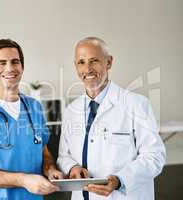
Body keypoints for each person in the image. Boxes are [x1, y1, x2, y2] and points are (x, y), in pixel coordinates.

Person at [57, 37, 166, 200]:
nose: (87, 69)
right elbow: (63, 156)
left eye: (94, 61)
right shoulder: (71, 110)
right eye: (81, 62)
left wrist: (119, 180)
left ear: (108, 62)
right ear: (76, 66)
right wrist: (72, 167)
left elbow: (154, 156)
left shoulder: (136, 104)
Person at [0, 39, 63, 200]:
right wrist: (23, 180)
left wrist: (50, 169)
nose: (10, 68)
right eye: (2, 63)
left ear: (22, 67)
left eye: (15, 62)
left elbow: (44, 152)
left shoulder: (34, 107)